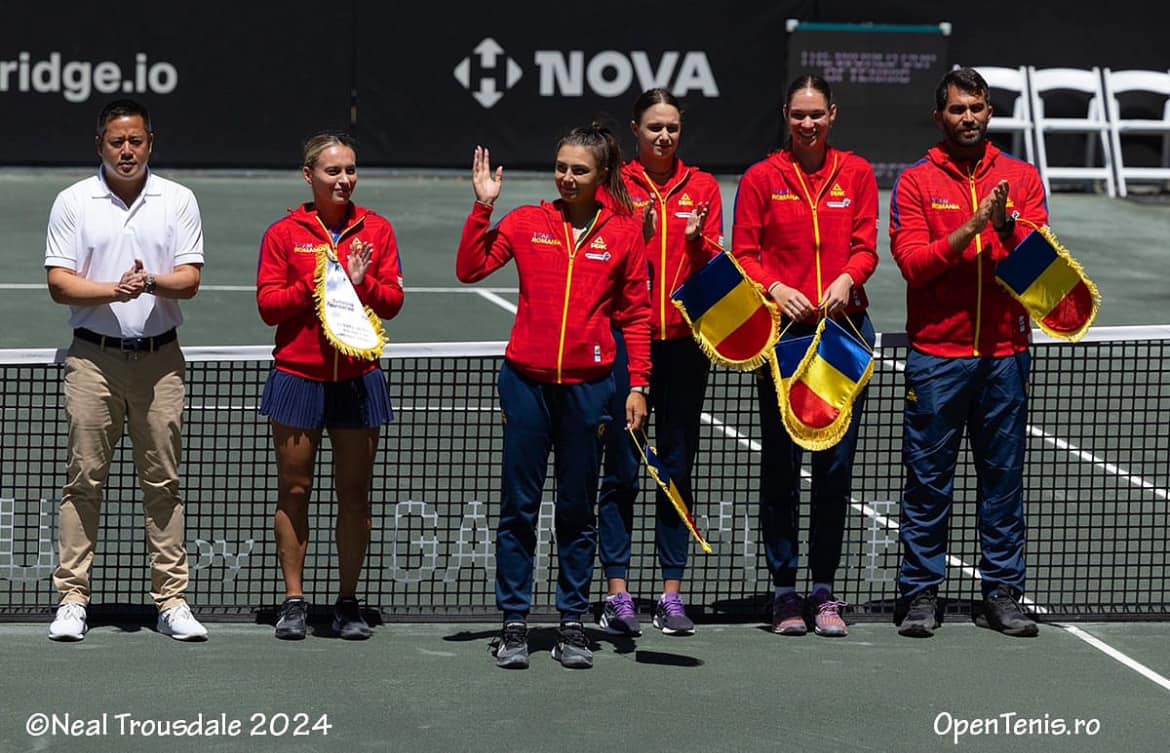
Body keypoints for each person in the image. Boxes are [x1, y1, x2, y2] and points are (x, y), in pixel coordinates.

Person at [457, 125, 652, 669]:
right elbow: (470, 268)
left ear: (601, 176)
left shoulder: (623, 234)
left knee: (576, 510)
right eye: (561, 166)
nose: (566, 177)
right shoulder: (525, 222)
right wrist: (482, 209)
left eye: (579, 170)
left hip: (591, 391)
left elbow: (636, 314)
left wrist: (638, 384)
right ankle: (514, 624)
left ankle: (572, 623)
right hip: (526, 386)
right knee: (518, 508)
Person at [889, 67, 1047, 638]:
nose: (968, 118)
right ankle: (921, 593)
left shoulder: (1022, 179)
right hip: (938, 358)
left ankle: (1002, 592)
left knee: (1003, 480)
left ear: (989, 113)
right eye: (957, 109)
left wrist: (1003, 229)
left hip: (1005, 355)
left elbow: (1036, 264)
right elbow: (915, 265)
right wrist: (972, 229)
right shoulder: (914, 183)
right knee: (928, 481)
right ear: (941, 117)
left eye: (977, 108)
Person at [44, 98, 207, 642]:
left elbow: (188, 279)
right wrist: (116, 290)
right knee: (83, 481)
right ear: (101, 146)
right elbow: (60, 284)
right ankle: (71, 599)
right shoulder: (72, 201)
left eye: (136, 140)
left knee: (164, 481)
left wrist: (150, 283)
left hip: (161, 362)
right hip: (92, 360)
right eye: (117, 141)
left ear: (150, 143)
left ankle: (172, 601)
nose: (127, 150)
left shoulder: (178, 200)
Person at [732, 75, 879, 637]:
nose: (808, 124)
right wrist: (772, 288)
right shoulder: (762, 178)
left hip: (844, 335)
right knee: (781, 466)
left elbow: (866, 246)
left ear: (832, 115)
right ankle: (784, 591)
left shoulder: (858, 174)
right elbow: (743, 252)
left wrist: (847, 277)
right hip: (785, 339)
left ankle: (824, 591)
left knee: (835, 467)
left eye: (816, 114)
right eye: (798, 115)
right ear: (785, 116)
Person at [256, 132, 405, 641]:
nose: (344, 180)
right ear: (309, 176)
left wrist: (361, 283)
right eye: (333, 172)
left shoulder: (377, 231)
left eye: (350, 171)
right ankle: (294, 601)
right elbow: (268, 307)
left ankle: (346, 602)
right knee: (295, 489)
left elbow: (391, 303)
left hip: (358, 381)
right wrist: (319, 280)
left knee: (355, 494)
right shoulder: (284, 234)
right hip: (298, 378)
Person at [596, 88, 722, 638]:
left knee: (676, 467)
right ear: (635, 131)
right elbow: (601, 262)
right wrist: (634, 233)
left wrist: (696, 245)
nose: (664, 136)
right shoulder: (613, 188)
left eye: (672, 127)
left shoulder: (705, 189)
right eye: (654, 127)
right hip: (626, 344)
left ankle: (671, 595)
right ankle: (618, 594)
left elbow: (716, 267)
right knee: (622, 468)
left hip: (685, 347)